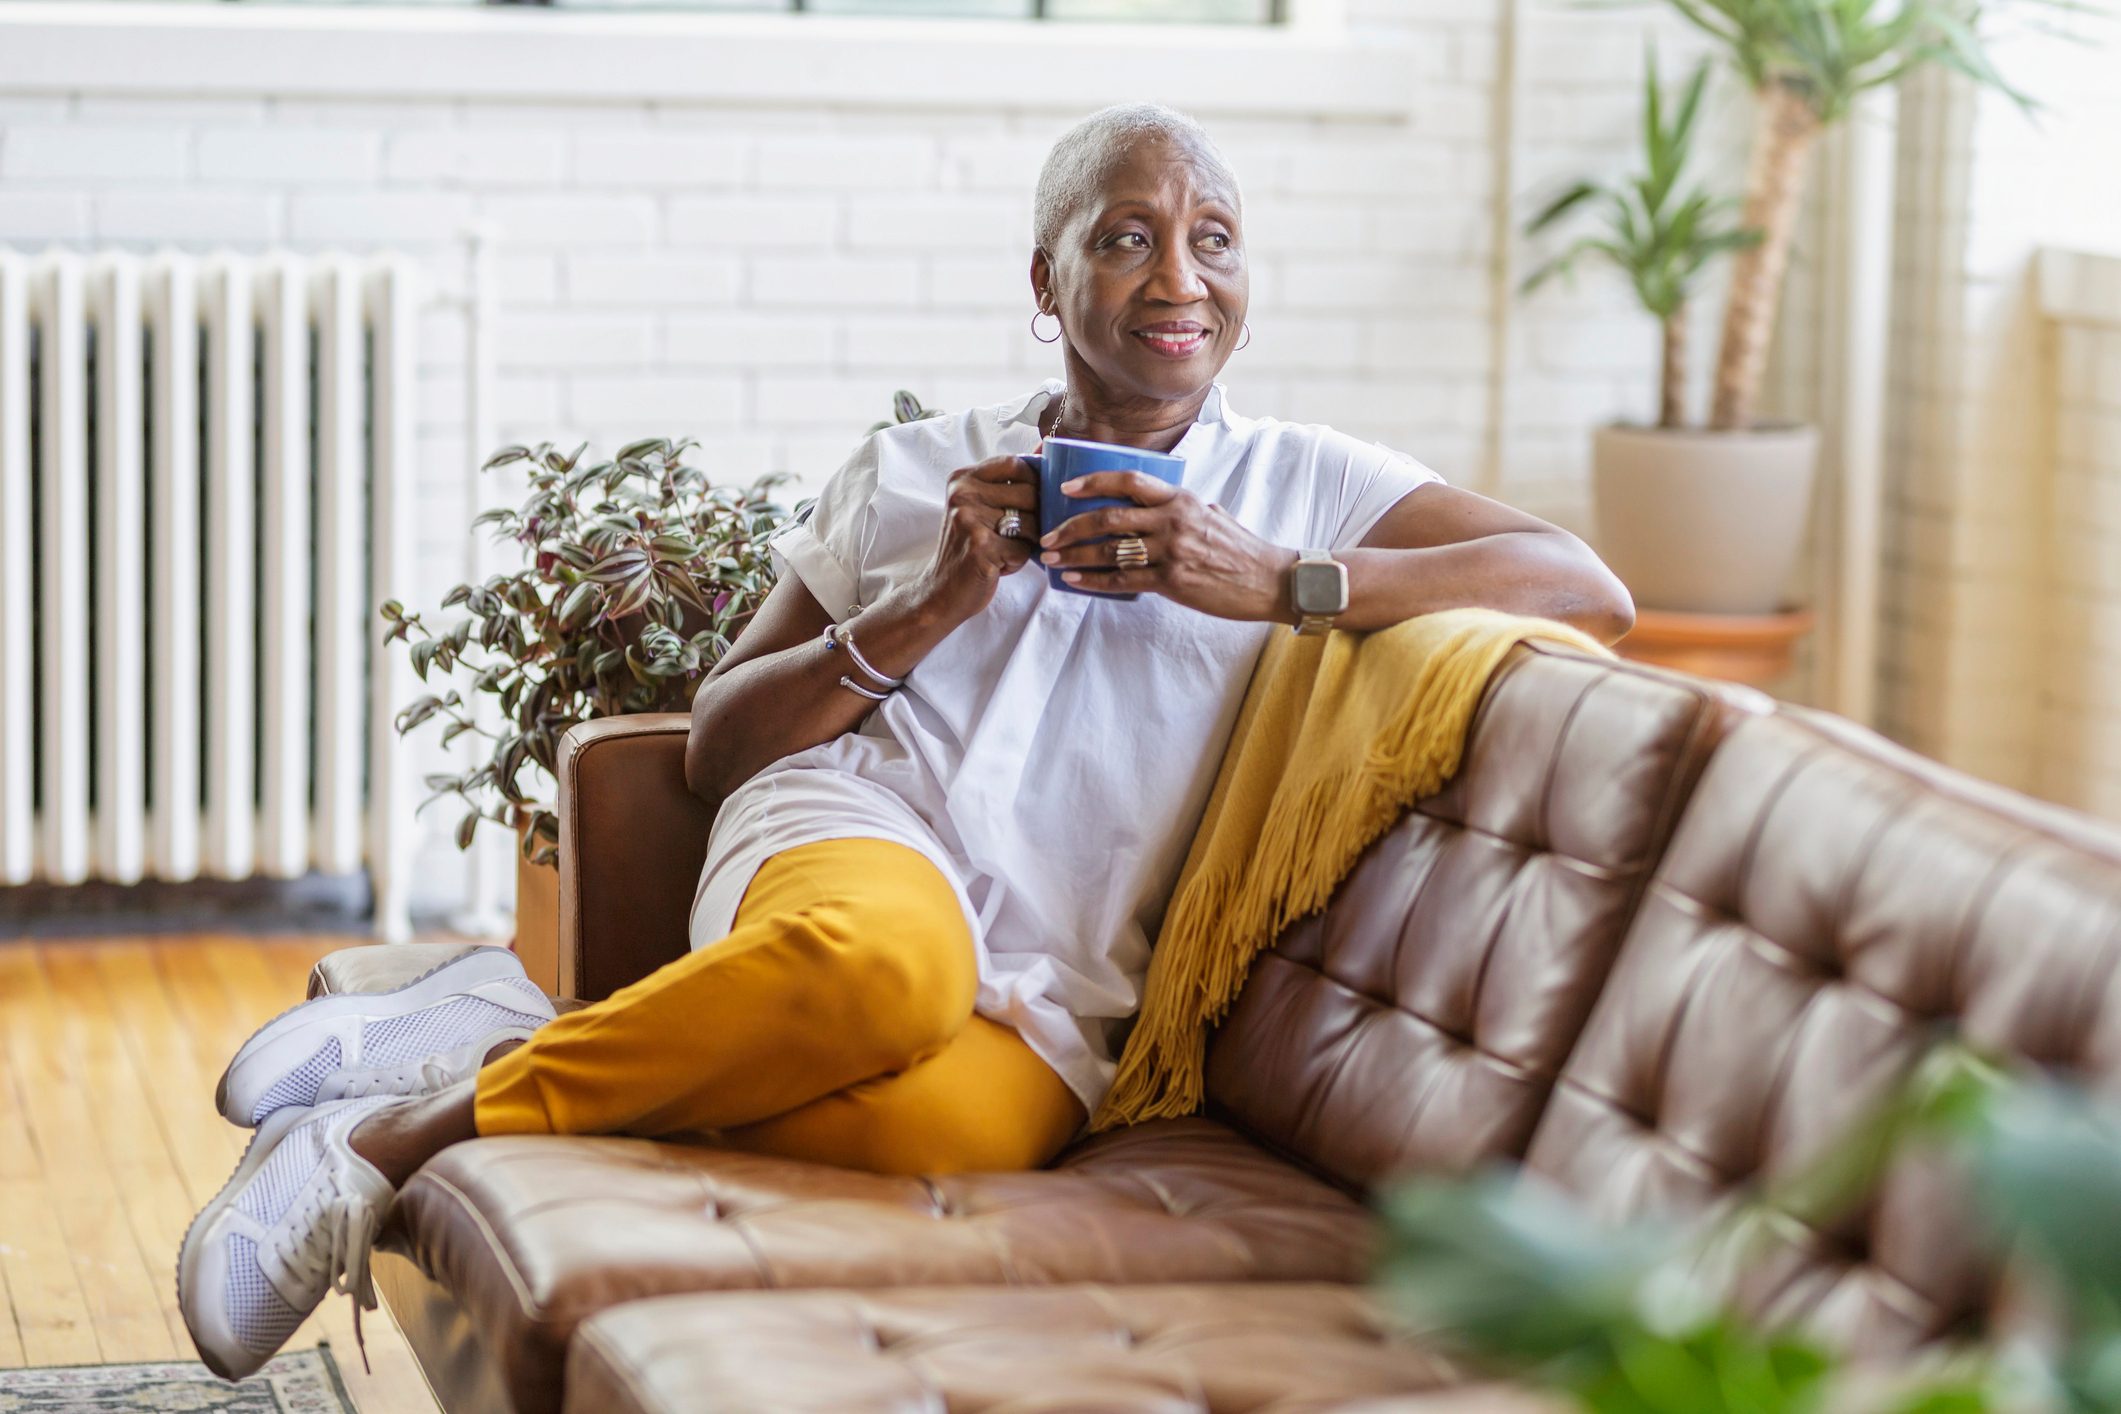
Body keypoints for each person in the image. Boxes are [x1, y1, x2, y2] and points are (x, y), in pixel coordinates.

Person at [177, 101, 1634, 1381]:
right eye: (1126, 237)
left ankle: (520, 1025)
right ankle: (379, 1141)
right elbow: (716, 746)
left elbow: (1588, 586)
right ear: (1045, 276)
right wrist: (927, 606)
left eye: (1216, 239)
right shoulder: (913, 470)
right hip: (857, 834)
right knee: (886, 966)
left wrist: (1279, 580)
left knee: (915, 1134)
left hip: (1056, 985)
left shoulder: (1302, 483)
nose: (1179, 279)